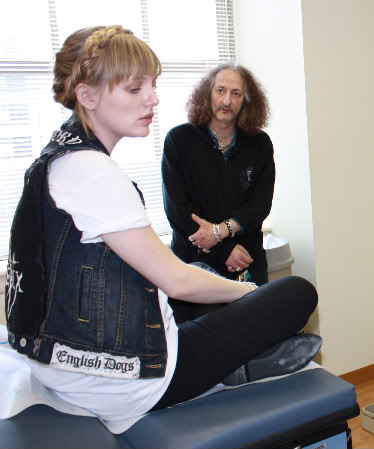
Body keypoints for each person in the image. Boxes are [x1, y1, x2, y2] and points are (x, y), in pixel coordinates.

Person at [3, 25, 319, 425]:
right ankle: (242, 361)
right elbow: (178, 281)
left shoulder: (59, 156)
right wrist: (253, 294)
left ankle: (242, 359)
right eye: (135, 88)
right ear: (87, 95)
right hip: (128, 379)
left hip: (62, 361)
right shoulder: (94, 172)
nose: (152, 98)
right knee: (296, 293)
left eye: (152, 86)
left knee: (201, 275)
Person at [161, 63, 274, 291]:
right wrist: (223, 249)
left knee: (260, 315)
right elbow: (177, 211)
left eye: (236, 93)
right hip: (195, 263)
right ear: (207, 94)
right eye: (220, 90)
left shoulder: (259, 143)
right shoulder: (179, 140)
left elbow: (260, 204)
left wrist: (222, 231)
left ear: (246, 101)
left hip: (246, 260)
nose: (227, 101)